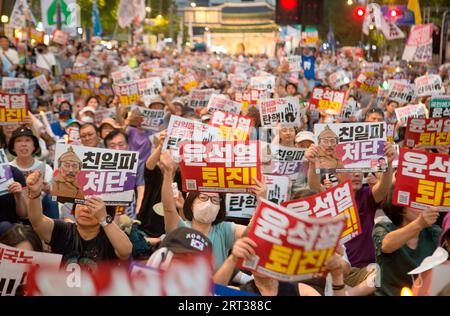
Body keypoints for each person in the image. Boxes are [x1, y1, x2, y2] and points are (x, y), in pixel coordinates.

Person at [159, 150, 266, 271]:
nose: (209, 203)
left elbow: (250, 234)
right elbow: (168, 208)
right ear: (191, 203)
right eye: (203, 198)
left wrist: (262, 201)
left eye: (215, 200)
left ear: (220, 207)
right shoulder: (181, 230)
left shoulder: (224, 230)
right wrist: (168, 172)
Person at [26, 170, 132, 264]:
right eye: (82, 202)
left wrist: (104, 218)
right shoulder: (64, 230)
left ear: (104, 211)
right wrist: (35, 194)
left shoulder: (111, 237)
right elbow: (37, 221)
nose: (85, 209)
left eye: (92, 205)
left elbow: (126, 251)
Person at [373, 195, 441, 296]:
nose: (425, 206)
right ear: (401, 208)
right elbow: (386, 245)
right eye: (417, 202)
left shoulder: (433, 232)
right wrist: (419, 223)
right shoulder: (383, 228)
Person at [104, 129, 145, 218]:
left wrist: (138, 212)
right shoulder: (100, 166)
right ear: (106, 149)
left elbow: (141, 188)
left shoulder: (138, 163)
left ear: (128, 145)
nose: (117, 149)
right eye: (112, 146)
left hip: (130, 213)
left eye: (121, 145)